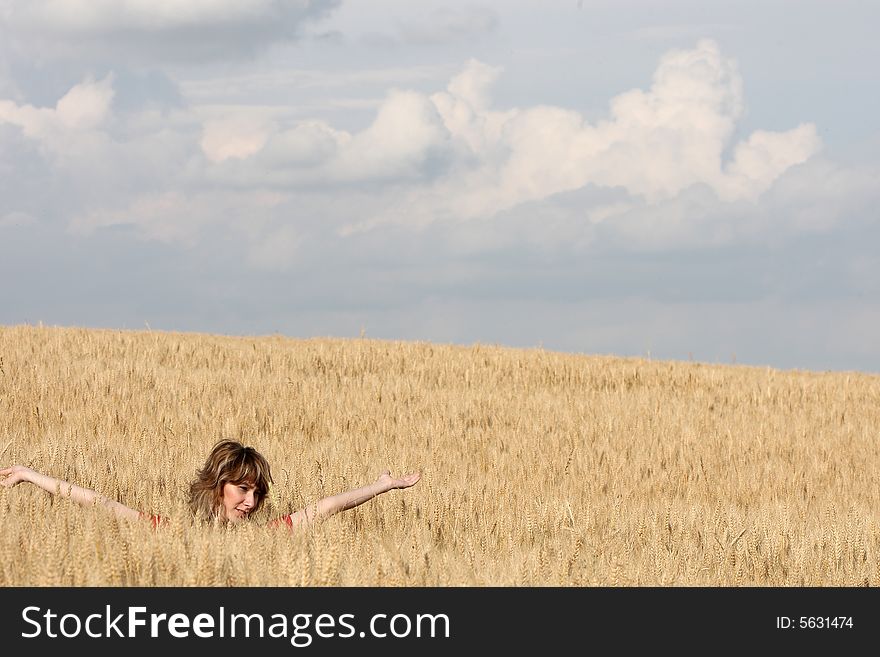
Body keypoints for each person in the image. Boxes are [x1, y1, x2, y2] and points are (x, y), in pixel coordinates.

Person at [0, 439, 420, 530]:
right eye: (242, 489)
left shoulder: (268, 538)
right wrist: (29, 475)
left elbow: (328, 506)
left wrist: (382, 486)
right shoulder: (172, 535)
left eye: (257, 492)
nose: (251, 501)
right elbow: (100, 502)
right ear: (218, 486)